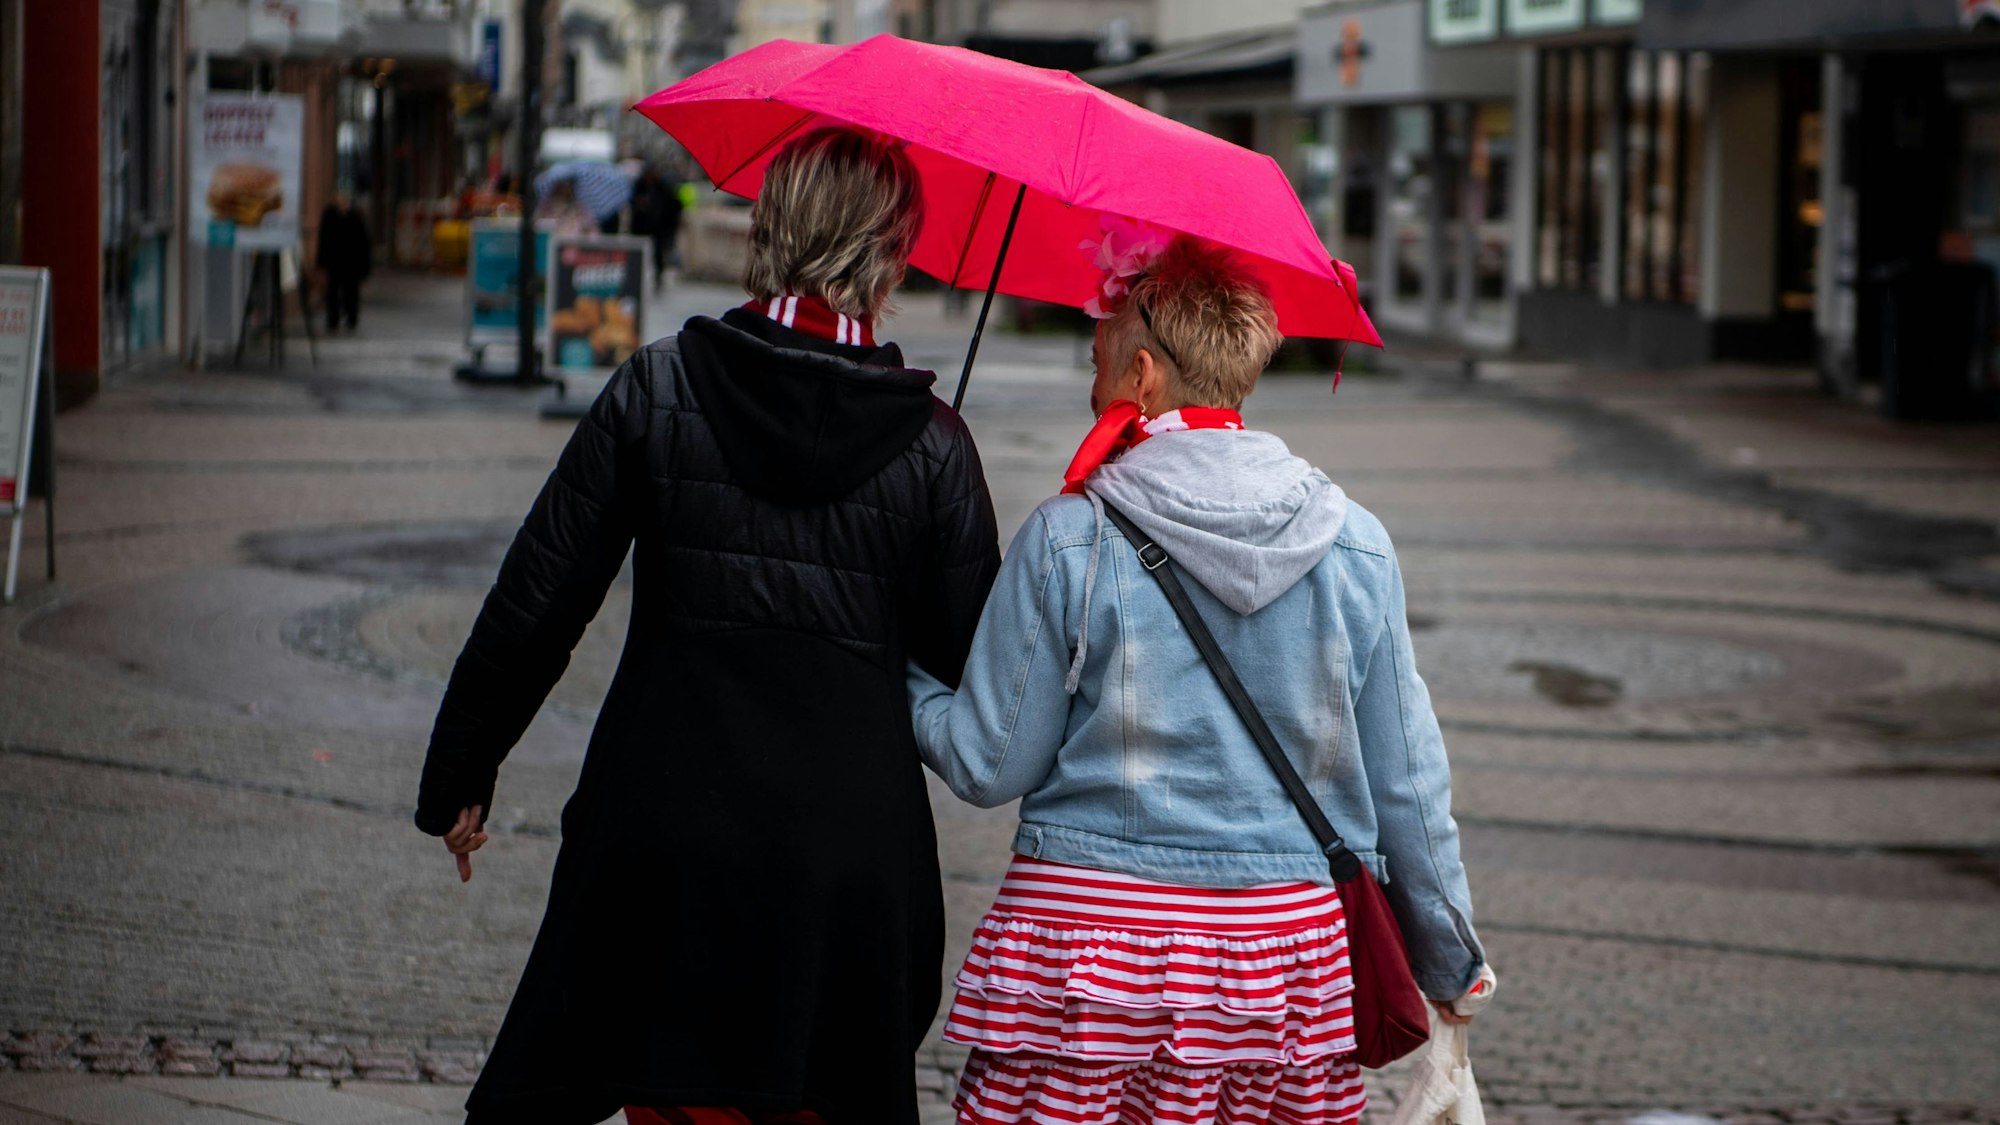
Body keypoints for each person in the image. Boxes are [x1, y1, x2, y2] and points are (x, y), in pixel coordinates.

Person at [415, 125, 1001, 1125]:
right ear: (890, 251)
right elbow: (968, 661)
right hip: (842, 863)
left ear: (769, 228)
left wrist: (461, 771)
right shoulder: (934, 447)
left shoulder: (659, 385)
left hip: (663, 832)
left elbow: (537, 597)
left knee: (668, 1093)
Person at [907, 236, 1488, 1124]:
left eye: (1098, 361)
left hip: (1088, 963)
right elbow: (1408, 784)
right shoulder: (1355, 543)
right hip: (1283, 974)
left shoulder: (1071, 536)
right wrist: (1449, 965)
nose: (1090, 384)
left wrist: (896, 679)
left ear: (1142, 373)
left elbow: (989, 766)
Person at [315, 191, 371, 332]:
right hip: (334, 262)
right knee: (332, 291)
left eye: (343, 199)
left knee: (351, 292)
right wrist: (321, 262)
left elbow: (363, 242)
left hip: (351, 263)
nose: (341, 201)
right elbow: (323, 240)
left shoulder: (355, 216)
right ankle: (333, 319)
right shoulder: (329, 216)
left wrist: (364, 265)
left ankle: (351, 318)